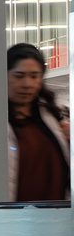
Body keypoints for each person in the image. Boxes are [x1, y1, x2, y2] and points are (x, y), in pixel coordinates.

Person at [6, 43, 70, 201]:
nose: (27, 84)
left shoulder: (56, 118)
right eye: (19, 76)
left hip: (59, 217)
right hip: (13, 219)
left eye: (34, 76)